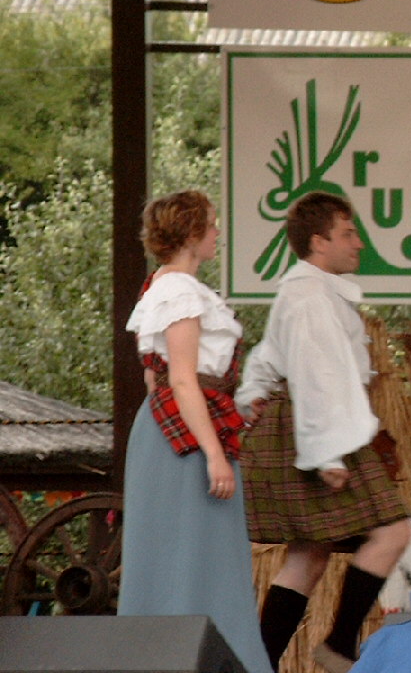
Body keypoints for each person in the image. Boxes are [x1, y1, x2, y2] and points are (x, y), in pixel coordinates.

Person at [238, 192, 411, 673]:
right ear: (319, 242)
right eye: (348, 233)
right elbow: (315, 376)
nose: (359, 243)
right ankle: (338, 643)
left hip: (312, 425)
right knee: (393, 532)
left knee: (308, 556)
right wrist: (326, 455)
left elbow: (268, 355)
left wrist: (254, 391)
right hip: (318, 430)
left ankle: (260, 664)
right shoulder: (310, 297)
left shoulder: (308, 292)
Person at [118, 190, 272, 673]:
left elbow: (156, 378)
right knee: (191, 555)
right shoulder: (180, 291)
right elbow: (182, 379)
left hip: (171, 429)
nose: (218, 232)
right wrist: (214, 452)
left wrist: (231, 410)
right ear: (191, 233)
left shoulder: (163, 287)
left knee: (187, 552)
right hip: (183, 440)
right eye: (211, 223)